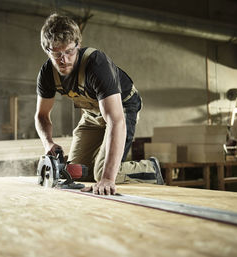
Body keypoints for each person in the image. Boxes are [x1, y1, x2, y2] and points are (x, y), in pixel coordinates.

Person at [35, 13, 164, 195]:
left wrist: (107, 179)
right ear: (46, 50)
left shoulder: (96, 64)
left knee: (100, 173)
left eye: (69, 51)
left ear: (78, 45)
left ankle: (150, 169)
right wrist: (48, 143)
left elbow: (116, 121)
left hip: (122, 108)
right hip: (92, 114)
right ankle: (103, 170)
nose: (64, 59)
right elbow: (41, 115)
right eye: (57, 53)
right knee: (77, 172)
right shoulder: (47, 73)